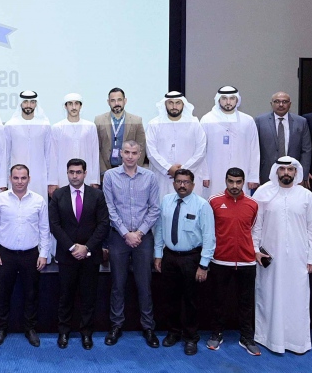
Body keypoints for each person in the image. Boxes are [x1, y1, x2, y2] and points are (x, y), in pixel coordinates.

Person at [251, 157, 312, 354]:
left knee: (297, 298)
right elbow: (256, 225)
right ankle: (269, 339)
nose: (286, 173)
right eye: (282, 169)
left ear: (296, 172)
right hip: (270, 257)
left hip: (299, 257)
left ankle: (296, 342)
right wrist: (255, 250)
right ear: (276, 171)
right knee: (270, 296)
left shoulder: (306, 195)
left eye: (290, 169)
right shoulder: (263, 192)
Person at [101, 140, 160, 349]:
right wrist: (126, 233)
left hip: (143, 238)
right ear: (121, 153)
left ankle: (148, 327)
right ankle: (116, 325)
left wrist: (139, 233)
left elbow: (155, 209)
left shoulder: (150, 177)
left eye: (134, 153)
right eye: (126, 152)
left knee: (144, 285)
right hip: (119, 237)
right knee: (118, 284)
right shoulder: (110, 176)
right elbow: (109, 208)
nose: (130, 156)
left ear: (140, 154)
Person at [153, 169, 215, 356]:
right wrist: (158, 254)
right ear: (173, 183)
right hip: (169, 256)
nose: (182, 185)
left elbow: (209, 237)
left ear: (193, 185)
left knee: (190, 300)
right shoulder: (166, 201)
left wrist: (203, 265)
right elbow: (160, 229)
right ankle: (173, 332)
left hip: (191, 258)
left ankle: (190, 337)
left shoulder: (202, 205)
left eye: (186, 182)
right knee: (169, 298)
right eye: (179, 181)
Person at [49, 158, 109, 350]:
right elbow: (54, 225)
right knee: (65, 296)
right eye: (71, 172)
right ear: (67, 173)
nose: (75, 176)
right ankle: (63, 332)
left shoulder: (97, 195)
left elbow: (103, 224)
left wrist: (87, 247)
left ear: (85, 173)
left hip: (90, 256)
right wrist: (72, 247)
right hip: (67, 256)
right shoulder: (58, 195)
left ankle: (86, 333)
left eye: (78, 172)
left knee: (89, 296)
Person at [0, 164, 49, 347]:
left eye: (23, 178)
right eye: (16, 178)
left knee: (31, 294)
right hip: (5, 254)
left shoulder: (38, 200)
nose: (19, 181)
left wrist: (44, 254)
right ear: (10, 179)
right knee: (2, 293)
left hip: (31, 254)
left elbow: (44, 229)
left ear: (29, 179)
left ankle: (30, 329)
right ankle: (1, 328)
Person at [206, 167, 261, 356]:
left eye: (238, 182)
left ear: (244, 182)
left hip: (247, 262)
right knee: (218, 301)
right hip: (220, 260)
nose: (234, 185)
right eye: (231, 181)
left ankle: (247, 337)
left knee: (246, 303)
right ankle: (216, 334)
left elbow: (254, 230)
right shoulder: (213, 201)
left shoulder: (253, 204)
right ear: (226, 181)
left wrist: (254, 251)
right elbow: (208, 230)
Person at [199, 86, 259, 198]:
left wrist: (253, 176)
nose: (228, 102)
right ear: (218, 100)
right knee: (214, 200)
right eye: (224, 98)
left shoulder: (247, 121)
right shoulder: (207, 120)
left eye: (232, 98)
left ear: (237, 100)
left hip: (241, 168)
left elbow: (254, 150)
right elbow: (201, 150)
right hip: (214, 173)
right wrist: (204, 175)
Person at [145, 91, 207, 197]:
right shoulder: (154, 124)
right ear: (165, 104)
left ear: (183, 104)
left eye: (178, 103)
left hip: (189, 174)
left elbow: (201, 151)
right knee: (163, 203)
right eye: (170, 103)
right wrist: (168, 168)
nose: (174, 107)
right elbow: (151, 151)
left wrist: (183, 170)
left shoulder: (194, 124)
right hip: (163, 177)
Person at [48, 93, 100, 194]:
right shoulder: (57, 127)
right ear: (65, 106)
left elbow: (95, 154)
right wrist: (53, 181)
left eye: (76, 103)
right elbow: (53, 156)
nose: (73, 107)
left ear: (80, 106)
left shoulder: (90, 127)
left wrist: (94, 179)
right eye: (70, 104)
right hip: (63, 178)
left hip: (86, 178)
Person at [255, 92, 312, 184]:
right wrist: (254, 175)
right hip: (266, 173)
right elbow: (254, 149)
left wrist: (302, 175)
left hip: (293, 174)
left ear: (290, 104)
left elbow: (306, 150)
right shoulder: (260, 121)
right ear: (271, 104)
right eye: (277, 101)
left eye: (284, 102)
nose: (281, 105)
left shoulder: (301, 122)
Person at [6, 91, 52, 193]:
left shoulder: (44, 125)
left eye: (32, 102)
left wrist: (51, 181)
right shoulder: (11, 125)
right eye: (25, 102)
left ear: (36, 104)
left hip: (39, 178)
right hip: (16, 177)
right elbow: (6, 155)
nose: (28, 105)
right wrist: (3, 181)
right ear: (21, 103)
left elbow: (49, 155)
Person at [95, 87, 147, 174]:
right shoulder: (99, 121)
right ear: (108, 102)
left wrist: (133, 170)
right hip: (106, 171)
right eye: (113, 100)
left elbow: (141, 147)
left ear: (125, 101)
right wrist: (104, 171)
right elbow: (96, 148)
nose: (116, 103)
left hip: (129, 171)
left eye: (119, 100)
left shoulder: (136, 121)